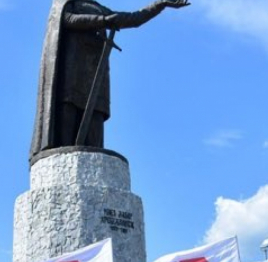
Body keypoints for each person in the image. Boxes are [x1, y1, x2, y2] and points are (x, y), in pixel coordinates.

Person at [30, 0, 190, 160]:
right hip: (70, 72)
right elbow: (68, 20)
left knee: (95, 123)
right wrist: (103, 21)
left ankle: (93, 167)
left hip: (95, 71)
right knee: (66, 123)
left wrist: (159, 5)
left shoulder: (98, 8)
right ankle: (63, 164)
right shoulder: (66, 3)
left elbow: (133, 19)